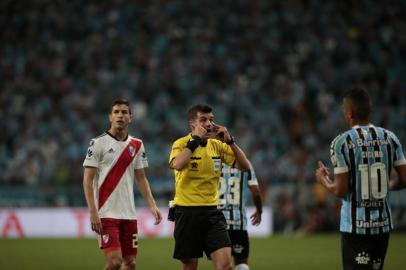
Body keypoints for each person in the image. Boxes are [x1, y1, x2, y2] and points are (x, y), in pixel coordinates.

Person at [315, 88, 406, 270]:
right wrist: (384, 186)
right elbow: (405, 179)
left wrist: (323, 180)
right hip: (382, 226)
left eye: (343, 109)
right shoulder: (390, 138)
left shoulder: (341, 143)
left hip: (355, 228)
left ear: (349, 113)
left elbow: (340, 190)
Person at [83, 99, 162, 270]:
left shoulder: (137, 144)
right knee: (115, 262)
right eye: (116, 112)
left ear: (130, 118)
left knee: (131, 263)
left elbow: (141, 178)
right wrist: (92, 212)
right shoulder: (97, 143)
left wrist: (152, 204)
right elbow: (87, 180)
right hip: (106, 213)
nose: (120, 115)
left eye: (124, 112)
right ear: (110, 117)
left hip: (129, 214)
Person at [169, 104, 250, 270]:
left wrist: (230, 141)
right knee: (190, 267)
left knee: (225, 266)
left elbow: (245, 166)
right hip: (186, 213)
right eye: (203, 120)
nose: (209, 124)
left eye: (211, 120)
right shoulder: (181, 143)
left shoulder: (217, 145)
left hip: (212, 213)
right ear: (193, 124)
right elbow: (177, 164)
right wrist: (194, 141)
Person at [218, 162, 262, 270]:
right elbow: (256, 192)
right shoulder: (245, 164)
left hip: (217, 223)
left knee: (223, 265)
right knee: (242, 263)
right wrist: (259, 211)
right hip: (238, 222)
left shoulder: (213, 162)